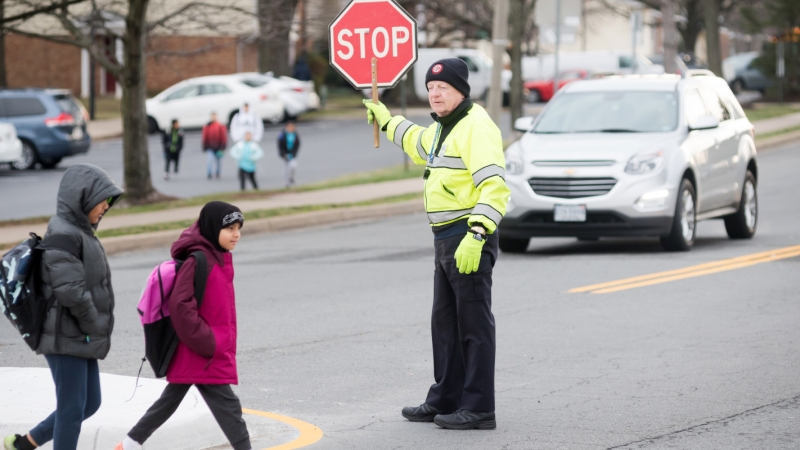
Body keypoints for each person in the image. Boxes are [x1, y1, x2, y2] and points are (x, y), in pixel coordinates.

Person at [362, 58, 510, 430]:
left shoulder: (476, 126)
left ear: (461, 90)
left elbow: (495, 186)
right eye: (430, 88)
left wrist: (477, 234)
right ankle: (446, 396)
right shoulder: (444, 128)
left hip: (467, 236)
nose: (435, 93)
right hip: (445, 239)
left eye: (442, 88)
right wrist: (385, 119)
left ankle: (478, 408)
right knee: (445, 324)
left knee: (474, 326)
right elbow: (417, 141)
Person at [3, 164, 123, 450]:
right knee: (71, 409)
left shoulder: (80, 231)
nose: (106, 205)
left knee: (89, 403)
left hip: (77, 333)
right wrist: (94, 323)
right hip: (63, 335)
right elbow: (70, 291)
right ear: (82, 197)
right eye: (102, 199)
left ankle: (25, 444)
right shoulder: (64, 234)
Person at [114, 201, 251, 450]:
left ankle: (131, 443)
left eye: (239, 227)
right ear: (212, 228)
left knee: (170, 400)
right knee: (228, 408)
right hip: (202, 350)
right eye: (230, 228)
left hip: (201, 349)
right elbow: (180, 306)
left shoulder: (217, 258)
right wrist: (207, 340)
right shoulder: (199, 261)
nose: (236, 234)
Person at [202, 112, 228, 180]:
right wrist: (204, 146)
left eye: (214, 116)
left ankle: (217, 172)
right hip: (210, 146)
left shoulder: (220, 125)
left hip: (218, 146)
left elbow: (223, 136)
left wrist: (223, 146)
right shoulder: (207, 125)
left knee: (218, 161)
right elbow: (205, 136)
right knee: (210, 160)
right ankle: (209, 173)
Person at [277, 121, 300, 188]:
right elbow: (280, 146)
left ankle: (291, 178)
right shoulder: (282, 135)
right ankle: (286, 183)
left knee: (293, 166)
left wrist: (293, 154)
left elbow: (297, 145)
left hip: (292, 154)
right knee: (285, 169)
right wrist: (284, 154)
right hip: (285, 155)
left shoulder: (295, 135)